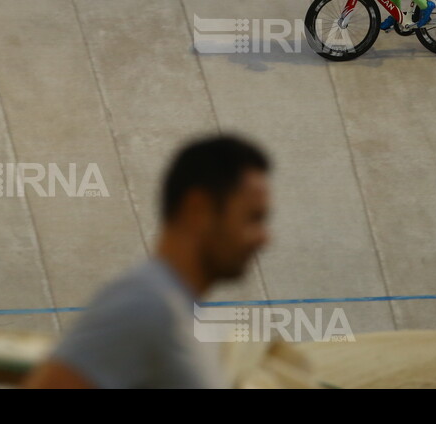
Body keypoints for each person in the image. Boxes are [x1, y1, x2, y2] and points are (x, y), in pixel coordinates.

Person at [22, 135, 271, 389]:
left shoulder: (178, 313)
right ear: (199, 210)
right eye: (252, 219)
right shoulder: (147, 304)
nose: (264, 238)